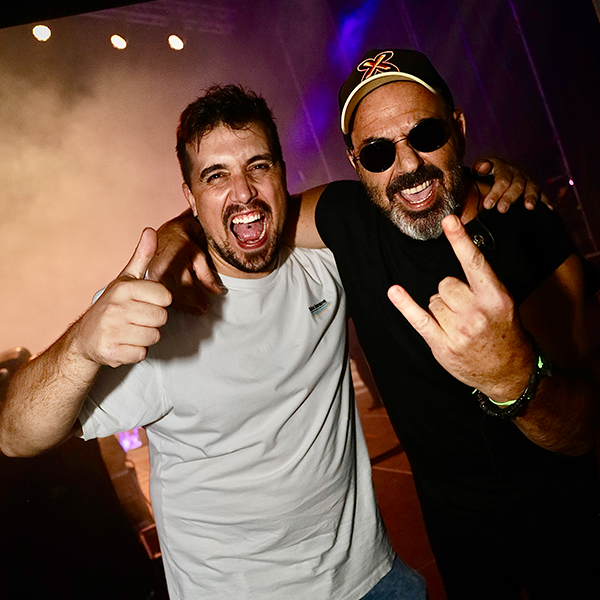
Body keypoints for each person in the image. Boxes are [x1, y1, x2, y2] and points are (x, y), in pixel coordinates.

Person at [150, 50, 600, 599]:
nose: (407, 165)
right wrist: (176, 233)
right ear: (356, 161)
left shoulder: (526, 225)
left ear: (458, 128)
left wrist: (513, 378)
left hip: (565, 516)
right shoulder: (347, 217)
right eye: (378, 151)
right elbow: (245, 207)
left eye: (426, 134)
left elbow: (582, 431)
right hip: (458, 533)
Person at [0, 85, 428, 599]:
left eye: (258, 166)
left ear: (282, 172)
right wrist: (81, 347)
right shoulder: (155, 312)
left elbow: (387, 199)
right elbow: (15, 436)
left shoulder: (322, 262)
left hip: (372, 579)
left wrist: (496, 179)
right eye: (216, 176)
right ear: (190, 197)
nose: (243, 192)